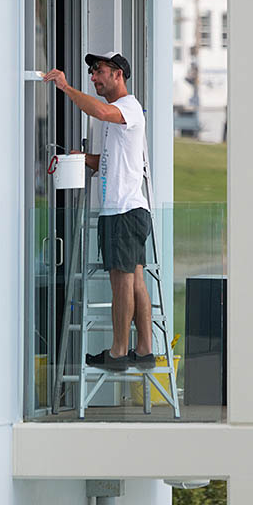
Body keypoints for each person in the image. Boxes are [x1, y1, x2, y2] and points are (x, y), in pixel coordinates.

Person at [44, 52, 154, 372]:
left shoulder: (127, 107)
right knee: (135, 280)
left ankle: (118, 353)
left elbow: (102, 111)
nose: (93, 77)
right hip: (127, 210)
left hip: (123, 212)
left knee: (122, 283)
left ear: (118, 74)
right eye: (91, 72)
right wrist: (84, 158)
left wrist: (66, 87)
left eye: (98, 71)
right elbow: (112, 162)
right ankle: (144, 350)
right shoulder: (119, 117)